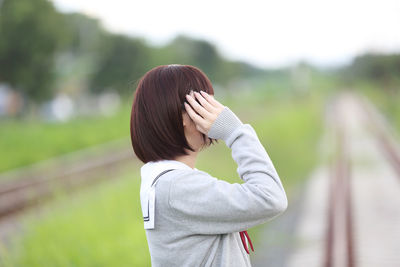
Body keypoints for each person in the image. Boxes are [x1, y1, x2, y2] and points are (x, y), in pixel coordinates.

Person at [130, 64, 288, 267]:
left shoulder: (168, 182)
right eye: (204, 101)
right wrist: (235, 131)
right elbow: (270, 197)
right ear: (183, 116)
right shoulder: (176, 188)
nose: (216, 110)